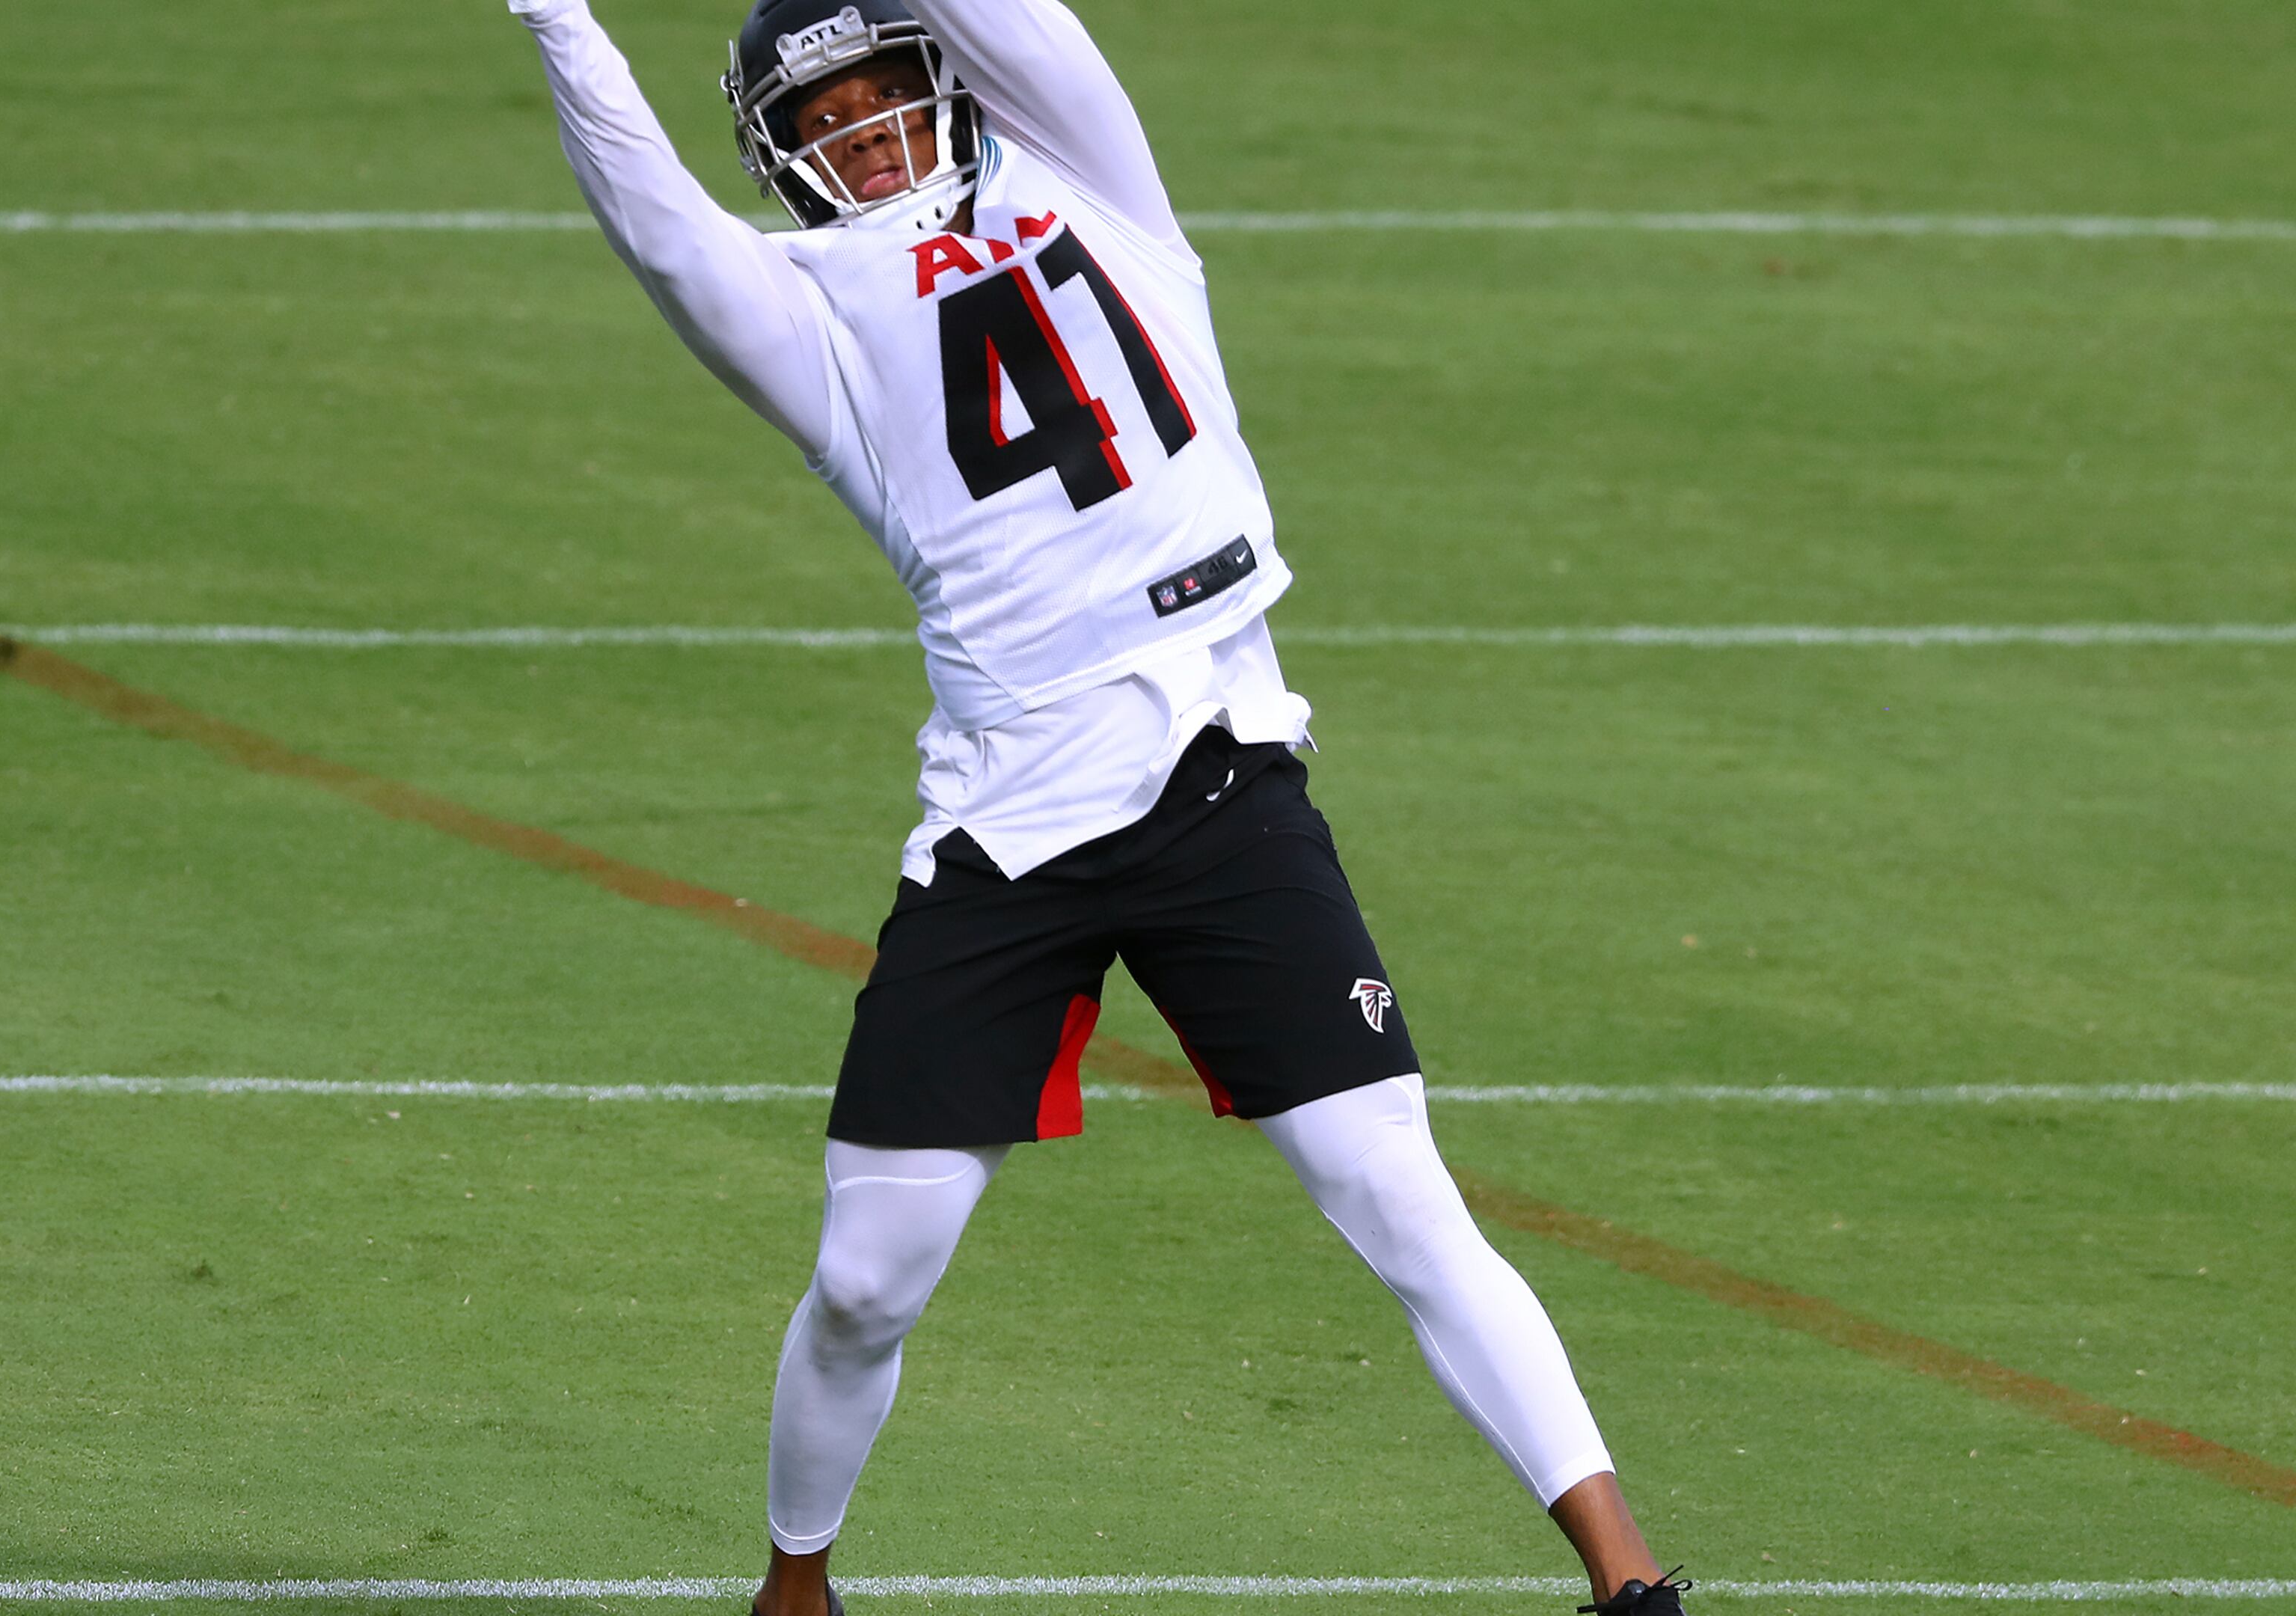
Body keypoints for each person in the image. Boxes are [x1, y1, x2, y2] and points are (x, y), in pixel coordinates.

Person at [502, 0, 1693, 1611]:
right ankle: (797, 1584)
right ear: (781, 153)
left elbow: (1023, 19)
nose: (861, 126)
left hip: (1219, 773)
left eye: (880, 86)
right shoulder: (806, 313)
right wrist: (558, 18)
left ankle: (1628, 1581)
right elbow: (654, 224)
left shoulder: (1097, 176)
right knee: (866, 1279)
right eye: (823, 110)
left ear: (938, 70)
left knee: (1396, 1191)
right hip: (1013, 826)